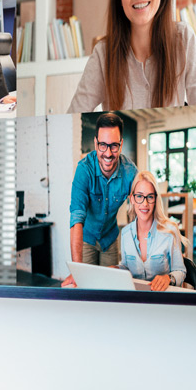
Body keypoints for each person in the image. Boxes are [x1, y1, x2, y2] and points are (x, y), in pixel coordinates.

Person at [67, 114, 136, 276]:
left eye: (114, 146)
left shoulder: (130, 171)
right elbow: (76, 218)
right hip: (86, 238)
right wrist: (77, 272)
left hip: (110, 239)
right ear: (95, 143)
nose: (108, 153)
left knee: (109, 288)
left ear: (121, 144)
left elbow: (142, 208)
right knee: (86, 285)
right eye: (103, 145)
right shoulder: (84, 170)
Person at [116, 169, 186, 290]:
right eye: (139, 196)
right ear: (132, 199)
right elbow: (126, 267)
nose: (145, 203)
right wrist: (116, 269)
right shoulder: (125, 233)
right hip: (136, 299)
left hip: (162, 299)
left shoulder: (169, 231)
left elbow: (180, 271)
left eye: (150, 197)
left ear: (155, 200)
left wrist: (168, 278)